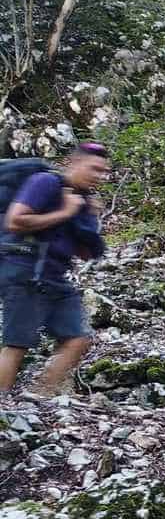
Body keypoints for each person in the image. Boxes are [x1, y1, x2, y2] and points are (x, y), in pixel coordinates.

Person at [0, 142, 110, 396]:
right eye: (94, 169)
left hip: (54, 276)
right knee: (18, 342)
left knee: (77, 338)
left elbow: (84, 253)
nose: (99, 176)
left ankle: (40, 397)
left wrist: (88, 221)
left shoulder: (81, 199)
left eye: (104, 172)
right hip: (24, 270)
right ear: (74, 162)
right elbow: (15, 221)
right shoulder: (45, 182)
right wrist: (66, 212)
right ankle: (4, 407)